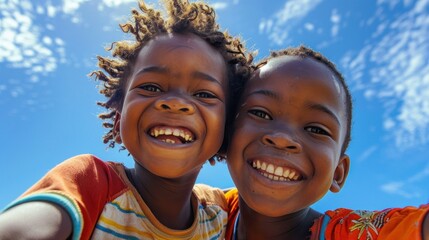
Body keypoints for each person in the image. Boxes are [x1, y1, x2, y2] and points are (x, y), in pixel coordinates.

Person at [0, 0, 251, 239]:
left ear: (226, 128)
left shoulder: (224, 211)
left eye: (204, 94)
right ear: (119, 119)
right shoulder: (90, 182)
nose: (176, 103)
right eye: (151, 87)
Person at [224, 46, 429, 239]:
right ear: (226, 134)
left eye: (316, 130)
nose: (282, 138)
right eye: (261, 113)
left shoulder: (352, 234)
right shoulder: (206, 209)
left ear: (338, 173)